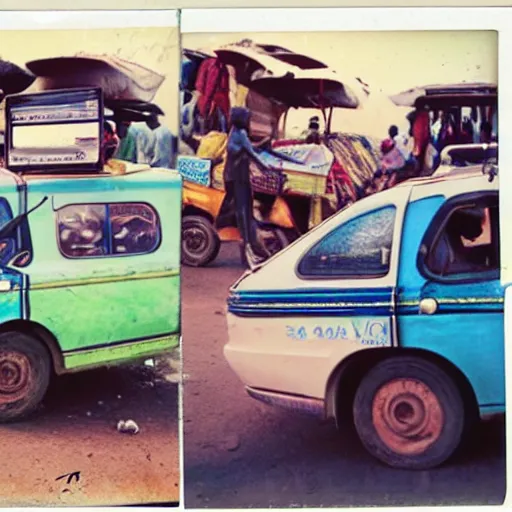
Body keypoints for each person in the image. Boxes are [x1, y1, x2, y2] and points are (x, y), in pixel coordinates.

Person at [224, 107, 272, 265]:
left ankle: (248, 250)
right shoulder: (241, 134)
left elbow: (249, 148)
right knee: (244, 214)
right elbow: (252, 153)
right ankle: (248, 253)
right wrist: (267, 168)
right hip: (239, 177)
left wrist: (262, 144)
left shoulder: (234, 132)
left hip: (233, 176)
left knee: (243, 213)